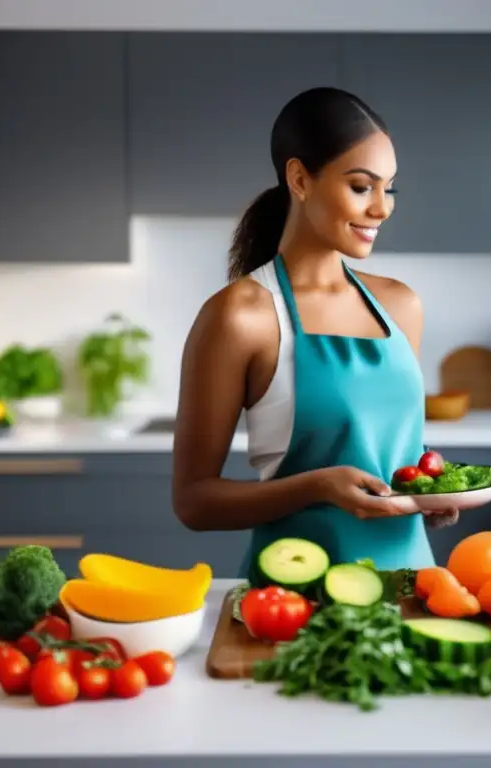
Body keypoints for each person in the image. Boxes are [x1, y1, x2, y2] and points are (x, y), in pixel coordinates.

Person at [171, 87, 458, 578]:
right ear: (300, 179)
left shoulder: (400, 306)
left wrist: (430, 486)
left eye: (389, 188)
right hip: (292, 602)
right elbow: (194, 502)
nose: (383, 207)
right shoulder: (240, 317)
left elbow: (390, 452)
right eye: (362, 186)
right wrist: (316, 487)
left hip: (414, 589)